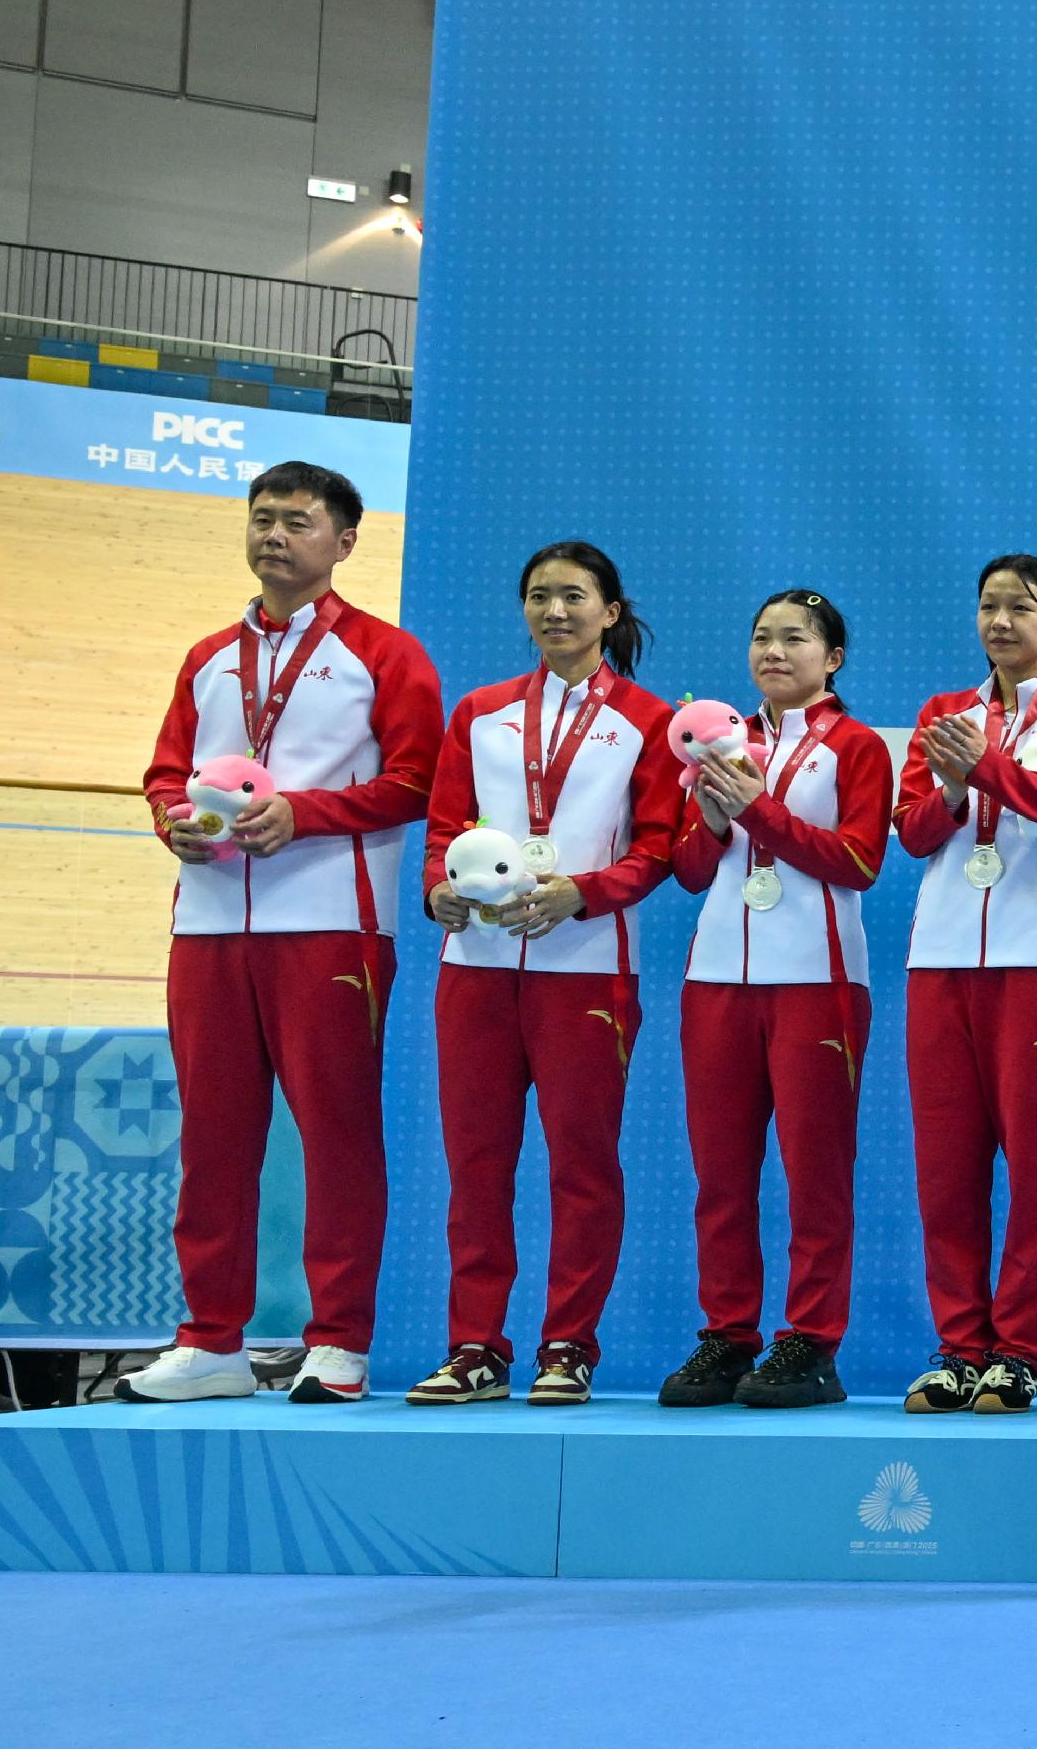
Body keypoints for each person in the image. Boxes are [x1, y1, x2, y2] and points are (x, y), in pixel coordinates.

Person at [116, 463, 443, 1406]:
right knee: (214, 1139)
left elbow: (417, 782)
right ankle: (210, 1340)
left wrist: (306, 813)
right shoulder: (208, 656)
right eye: (262, 519)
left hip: (332, 927)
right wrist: (173, 821)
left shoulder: (386, 654)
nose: (274, 535)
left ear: (344, 542)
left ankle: (337, 1341)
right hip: (209, 924)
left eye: (297, 522)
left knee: (337, 1137)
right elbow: (164, 772)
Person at [408, 541, 679, 1405]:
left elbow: (659, 846)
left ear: (610, 611)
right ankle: (475, 1347)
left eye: (573, 596)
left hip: (587, 970)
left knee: (582, 1164)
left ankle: (568, 1345)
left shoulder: (647, 721)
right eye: (538, 596)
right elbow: (444, 828)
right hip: (476, 966)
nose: (554, 611)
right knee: (476, 1164)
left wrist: (583, 893)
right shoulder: (480, 711)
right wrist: (437, 891)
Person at [894, 556, 1037, 1414]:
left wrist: (988, 768)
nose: (999, 621)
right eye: (988, 605)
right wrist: (956, 788)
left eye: (1020, 608)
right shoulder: (943, 714)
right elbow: (912, 834)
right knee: (946, 1166)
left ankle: (1021, 1348)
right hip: (941, 959)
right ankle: (959, 1345)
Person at [658, 589, 893, 1410]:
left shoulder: (857, 746)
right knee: (721, 1174)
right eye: (762, 637)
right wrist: (713, 818)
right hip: (717, 978)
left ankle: (810, 1341)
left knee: (814, 1172)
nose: (775, 651)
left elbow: (859, 861)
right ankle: (728, 1335)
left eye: (796, 639)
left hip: (818, 982)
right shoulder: (715, 742)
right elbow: (690, 873)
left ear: (833, 658)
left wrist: (756, 808)